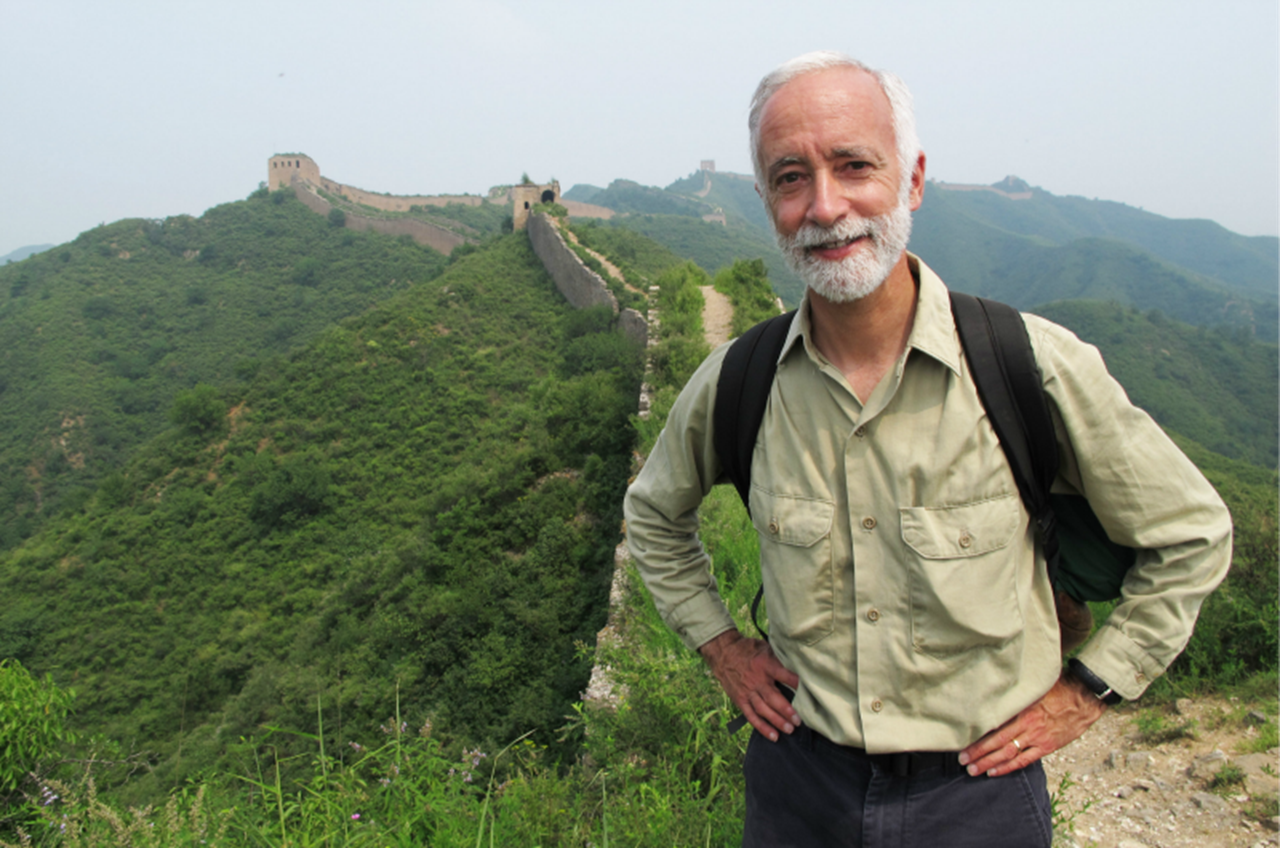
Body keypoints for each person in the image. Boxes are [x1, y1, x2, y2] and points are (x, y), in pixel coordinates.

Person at [623, 51, 1232, 847]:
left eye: (853, 166)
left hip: (977, 795)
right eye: (790, 177)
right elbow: (653, 515)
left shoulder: (1029, 367)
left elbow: (1191, 534)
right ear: (767, 203)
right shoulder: (741, 383)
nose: (825, 205)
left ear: (911, 180)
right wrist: (722, 647)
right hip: (796, 783)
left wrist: (1090, 691)